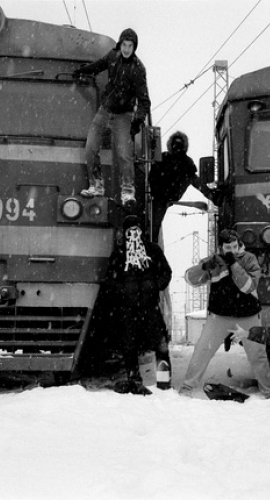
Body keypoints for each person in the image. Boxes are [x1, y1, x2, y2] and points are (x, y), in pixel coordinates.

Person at [179, 229, 270, 399]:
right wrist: (202, 267)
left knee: (257, 354)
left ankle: (268, 391)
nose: (231, 249)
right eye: (227, 247)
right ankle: (188, 387)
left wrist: (234, 264)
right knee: (202, 349)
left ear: (239, 244)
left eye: (234, 246)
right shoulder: (213, 261)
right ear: (221, 247)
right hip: (219, 316)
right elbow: (189, 279)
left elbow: (248, 287)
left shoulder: (249, 259)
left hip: (248, 315)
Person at [73, 28, 151, 206]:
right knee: (91, 148)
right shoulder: (113, 56)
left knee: (124, 154)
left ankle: (127, 191)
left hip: (123, 114)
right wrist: (83, 71)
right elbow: (99, 65)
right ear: (120, 44)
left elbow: (144, 101)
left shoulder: (138, 69)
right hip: (105, 110)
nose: (126, 49)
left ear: (134, 47)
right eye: (124, 44)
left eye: (130, 46)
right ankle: (96, 185)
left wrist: (137, 120)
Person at [105, 215, 172, 394]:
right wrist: (123, 292)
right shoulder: (119, 254)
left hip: (150, 306)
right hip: (127, 308)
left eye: (136, 229)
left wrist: (156, 286)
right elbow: (110, 281)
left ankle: (164, 382)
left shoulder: (152, 250)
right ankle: (134, 379)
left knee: (160, 344)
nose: (134, 233)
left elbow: (166, 272)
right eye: (130, 230)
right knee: (129, 345)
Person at [148, 131, 198, 240]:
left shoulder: (185, 162)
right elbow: (153, 175)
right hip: (160, 197)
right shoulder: (164, 157)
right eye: (175, 144)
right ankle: (151, 242)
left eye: (179, 144)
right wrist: (157, 192)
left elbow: (191, 178)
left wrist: (170, 195)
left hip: (165, 197)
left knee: (155, 224)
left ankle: (151, 242)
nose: (177, 147)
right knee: (154, 224)